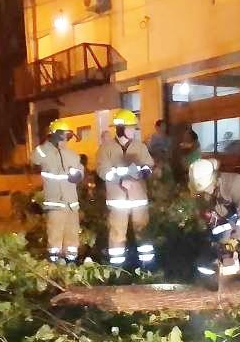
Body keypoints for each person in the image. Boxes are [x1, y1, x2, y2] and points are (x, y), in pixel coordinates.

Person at [96, 109, 156, 267]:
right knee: (117, 235)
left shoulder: (140, 147)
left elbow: (149, 166)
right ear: (120, 128)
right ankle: (117, 269)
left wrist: (142, 173)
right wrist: (120, 179)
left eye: (134, 128)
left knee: (143, 232)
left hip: (138, 198)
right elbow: (103, 171)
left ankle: (147, 268)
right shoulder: (106, 148)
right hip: (118, 200)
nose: (134, 131)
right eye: (130, 128)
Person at [31, 118, 84, 263]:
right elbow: (34, 158)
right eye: (63, 135)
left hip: (72, 205)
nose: (65, 139)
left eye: (67, 136)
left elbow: (81, 171)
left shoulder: (72, 155)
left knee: (72, 239)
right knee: (54, 239)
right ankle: (54, 267)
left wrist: (78, 175)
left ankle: (71, 266)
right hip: (55, 204)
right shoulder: (45, 152)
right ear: (54, 135)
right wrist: (49, 143)